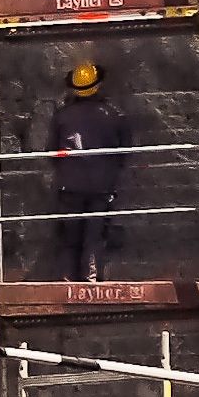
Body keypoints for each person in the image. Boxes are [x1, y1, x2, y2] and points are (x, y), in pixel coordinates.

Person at [42, 59, 130, 281]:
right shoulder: (113, 115)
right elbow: (124, 151)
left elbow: (51, 151)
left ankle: (67, 282)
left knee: (70, 237)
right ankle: (91, 283)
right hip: (101, 186)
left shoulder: (62, 116)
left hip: (70, 186)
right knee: (95, 236)